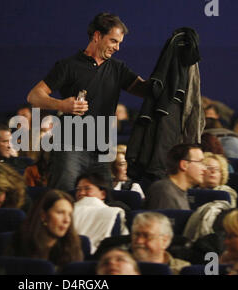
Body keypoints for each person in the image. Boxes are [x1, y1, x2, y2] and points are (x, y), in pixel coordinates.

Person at [26, 12, 150, 192]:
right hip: (69, 148)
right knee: (65, 196)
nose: (117, 48)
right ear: (97, 36)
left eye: (119, 43)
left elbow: (145, 90)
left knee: (102, 199)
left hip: (102, 149)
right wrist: (62, 105)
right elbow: (34, 96)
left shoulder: (117, 68)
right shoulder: (68, 66)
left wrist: (168, 73)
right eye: (113, 41)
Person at [7, 190, 83, 271]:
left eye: (69, 214)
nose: (67, 220)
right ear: (43, 215)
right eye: (60, 212)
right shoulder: (19, 242)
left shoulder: (72, 246)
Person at [73, 172, 129, 254]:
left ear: (103, 194)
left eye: (87, 188)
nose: (81, 193)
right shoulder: (68, 208)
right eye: (78, 189)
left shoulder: (115, 210)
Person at [145, 143, 207, 210]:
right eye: (200, 162)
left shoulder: (182, 191)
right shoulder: (163, 190)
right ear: (184, 165)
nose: (205, 169)